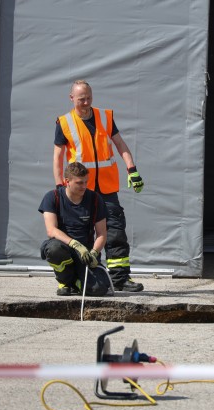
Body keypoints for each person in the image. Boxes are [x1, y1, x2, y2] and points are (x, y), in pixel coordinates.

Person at [53, 79, 145, 293]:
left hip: (107, 188)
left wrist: (132, 169)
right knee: (79, 234)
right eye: (81, 99)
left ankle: (120, 279)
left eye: (88, 98)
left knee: (115, 232)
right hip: (80, 189)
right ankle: (74, 280)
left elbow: (120, 144)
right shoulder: (64, 122)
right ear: (72, 98)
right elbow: (57, 156)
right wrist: (59, 185)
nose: (85, 103)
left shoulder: (105, 117)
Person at [39, 162, 109, 296]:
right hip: (63, 247)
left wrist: (94, 252)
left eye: (86, 182)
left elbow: (102, 234)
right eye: (79, 183)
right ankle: (65, 281)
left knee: (99, 289)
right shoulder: (53, 197)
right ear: (67, 182)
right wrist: (74, 244)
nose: (84, 186)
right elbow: (51, 230)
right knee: (54, 249)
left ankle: (77, 282)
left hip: (85, 253)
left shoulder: (95, 199)